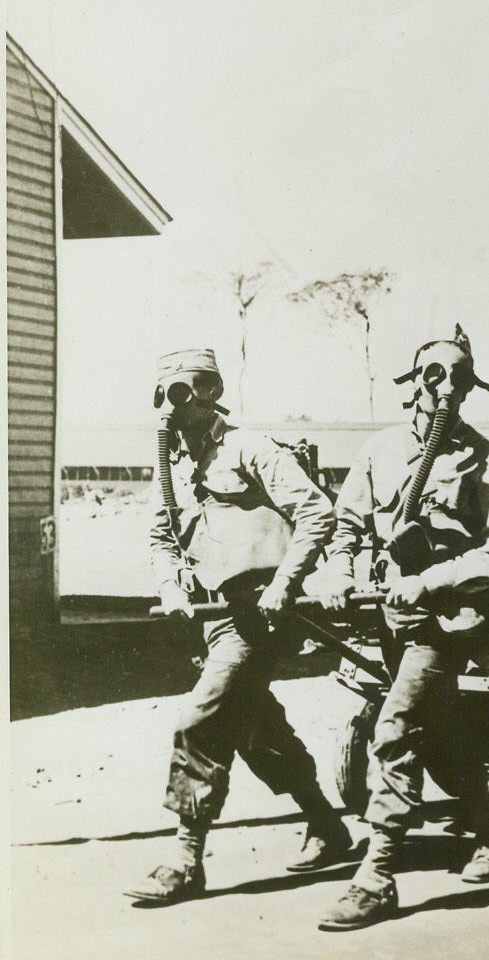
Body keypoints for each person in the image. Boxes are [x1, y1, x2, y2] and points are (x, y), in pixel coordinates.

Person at [314, 326, 489, 932]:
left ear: (469, 390)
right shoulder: (380, 452)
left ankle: (378, 874)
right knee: (442, 730)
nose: (444, 389)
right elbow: (347, 524)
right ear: (411, 383)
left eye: (459, 378)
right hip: (390, 614)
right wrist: (339, 569)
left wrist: (433, 581)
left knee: (396, 727)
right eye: (433, 374)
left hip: (454, 620)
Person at [125, 349, 349, 906]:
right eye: (162, 396)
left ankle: (184, 859)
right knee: (253, 725)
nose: (169, 409)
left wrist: (284, 584)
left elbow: (318, 511)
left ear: (208, 392)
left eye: (180, 393)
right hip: (214, 617)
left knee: (202, 720)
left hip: (264, 613)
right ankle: (328, 825)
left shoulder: (250, 447)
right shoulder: (172, 464)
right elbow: (159, 537)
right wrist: (171, 585)